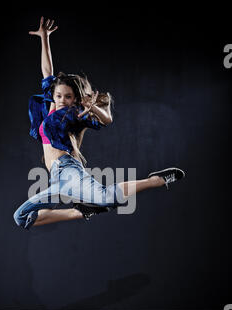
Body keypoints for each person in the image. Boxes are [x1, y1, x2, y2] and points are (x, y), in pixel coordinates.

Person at [13, 17, 185, 230]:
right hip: (56, 179)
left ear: (75, 99)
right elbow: (47, 71)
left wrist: (93, 106)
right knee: (21, 217)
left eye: (68, 97)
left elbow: (107, 119)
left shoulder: (73, 114)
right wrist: (45, 39)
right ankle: (80, 211)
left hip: (68, 171)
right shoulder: (50, 103)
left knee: (105, 197)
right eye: (59, 96)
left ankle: (155, 180)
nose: (62, 101)